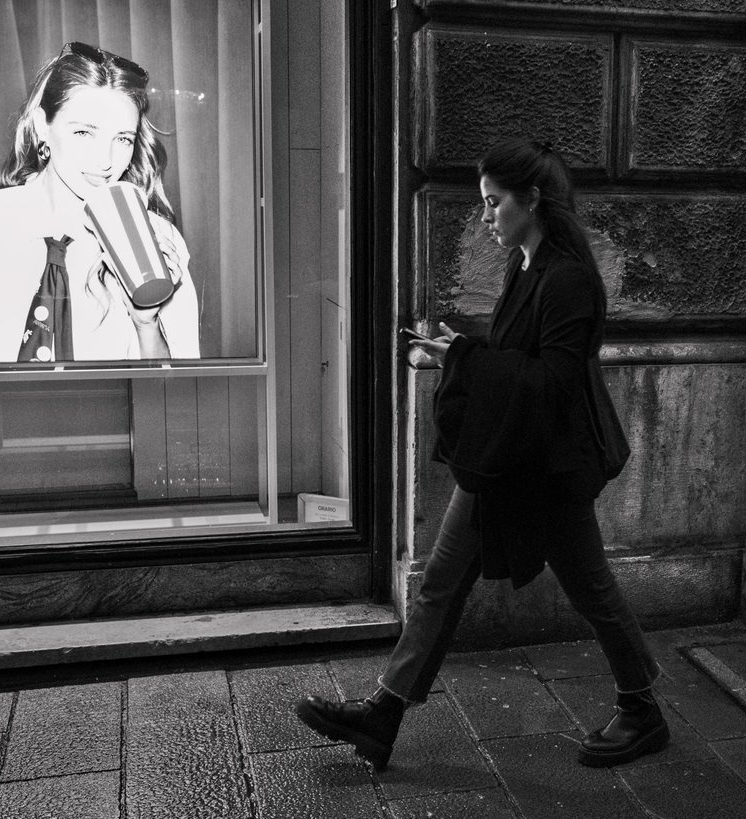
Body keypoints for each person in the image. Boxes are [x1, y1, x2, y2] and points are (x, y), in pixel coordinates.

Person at [297, 138, 668, 769]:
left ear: (532, 201)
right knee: (442, 582)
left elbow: (553, 382)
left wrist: (464, 358)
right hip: (510, 460)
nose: (486, 216)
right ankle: (382, 717)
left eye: (494, 203)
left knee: (590, 588)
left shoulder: (569, 278)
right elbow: (521, 363)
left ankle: (643, 709)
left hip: (548, 469)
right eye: (484, 203)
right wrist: (462, 348)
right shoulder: (526, 265)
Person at [0, 41, 199, 364]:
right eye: (84, 133)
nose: (105, 161)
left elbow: (178, 390)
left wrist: (146, 323)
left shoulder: (157, 240)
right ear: (42, 125)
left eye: (123, 139)